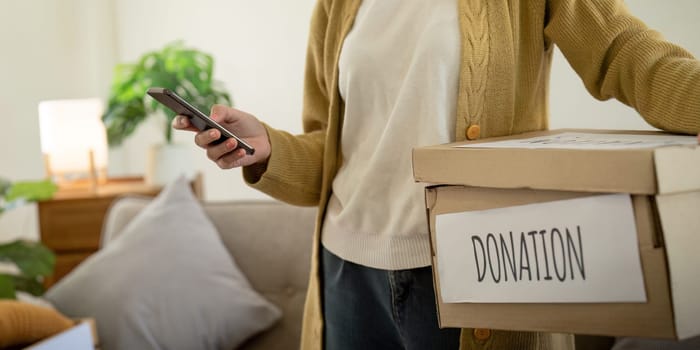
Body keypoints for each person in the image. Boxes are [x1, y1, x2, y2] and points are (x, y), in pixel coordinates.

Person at [173, 0, 700, 349]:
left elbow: (628, 54)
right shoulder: (338, 6)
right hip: (345, 277)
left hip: (471, 270)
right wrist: (265, 147)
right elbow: (327, 150)